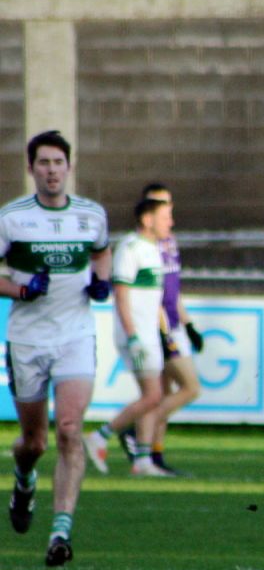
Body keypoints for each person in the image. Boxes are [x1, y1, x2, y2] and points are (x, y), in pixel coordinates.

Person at [0, 130, 112, 566]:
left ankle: (60, 533)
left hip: (75, 336)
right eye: (43, 163)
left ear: (69, 167)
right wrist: (21, 290)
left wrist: (101, 282)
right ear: (31, 169)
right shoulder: (12, 218)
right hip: (27, 339)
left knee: (69, 428)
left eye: (58, 163)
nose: (51, 170)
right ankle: (24, 477)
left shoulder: (90, 215)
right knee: (35, 442)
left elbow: (101, 253)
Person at [82, 198, 173, 477]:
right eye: (165, 216)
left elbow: (153, 299)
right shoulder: (130, 248)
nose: (170, 222)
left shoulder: (154, 250)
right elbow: (121, 294)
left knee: (152, 396)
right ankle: (100, 435)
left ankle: (142, 461)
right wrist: (133, 335)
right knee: (153, 394)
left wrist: (164, 333)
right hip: (136, 335)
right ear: (147, 219)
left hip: (149, 334)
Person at [117, 183, 202, 475]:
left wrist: (188, 324)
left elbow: (172, 289)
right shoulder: (141, 246)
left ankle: (154, 454)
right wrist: (164, 330)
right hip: (160, 326)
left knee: (166, 390)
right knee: (187, 387)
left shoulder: (167, 241)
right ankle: (135, 430)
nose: (169, 214)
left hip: (173, 324)